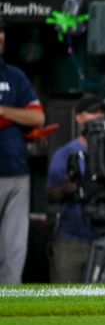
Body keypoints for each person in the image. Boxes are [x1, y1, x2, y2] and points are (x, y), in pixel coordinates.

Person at [46, 95, 105, 283]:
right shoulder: (65, 153)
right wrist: (69, 187)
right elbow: (50, 194)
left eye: (102, 113)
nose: (99, 117)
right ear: (79, 118)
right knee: (66, 302)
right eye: (93, 112)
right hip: (72, 238)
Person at [0, 16, 45, 284]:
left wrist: (4, 111)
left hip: (17, 174)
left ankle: (10, 309)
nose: (1, 39)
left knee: (14, 249)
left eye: (2, 35)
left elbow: (37, 117)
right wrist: (16, 116)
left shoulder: (14, 76)